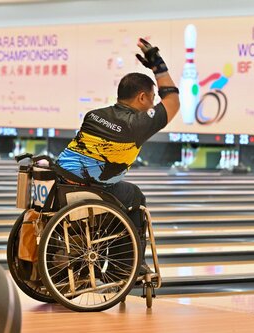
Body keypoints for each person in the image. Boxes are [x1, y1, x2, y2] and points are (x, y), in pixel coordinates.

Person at [56, 38, 180, 274]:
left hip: (61, 181)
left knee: (118, 189)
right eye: (152, 98)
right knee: (134, 196)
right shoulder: (138, 124)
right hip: (90, 187)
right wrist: (158, 66)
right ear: (142, 97)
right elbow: (173, 100)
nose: (153, 103)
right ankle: (126, 266)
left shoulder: (94, 115)